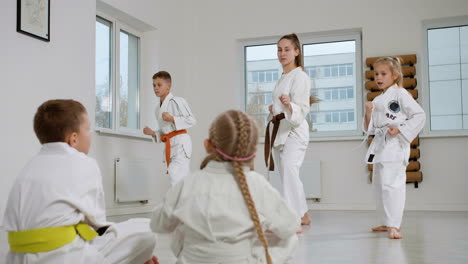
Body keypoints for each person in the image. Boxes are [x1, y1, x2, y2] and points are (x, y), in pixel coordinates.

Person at [2, 99, 158, 264]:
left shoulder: (29, 167)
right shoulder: (85, 163)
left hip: (16, 257)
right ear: (73, 139)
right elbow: (98, 226)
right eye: (88, 129)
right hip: (62, 257)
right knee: (147, 228)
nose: (90, 134)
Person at [150, 110, 300, 264]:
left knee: (180, 226)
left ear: (207, 145)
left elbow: (157, 224)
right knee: (290, 238)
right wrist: (264, 225)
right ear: (253, 153)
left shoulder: (188, 183)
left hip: (191, 259)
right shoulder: (256, 183)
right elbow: (290, 225)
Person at [364, 57, 425, 239]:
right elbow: (371, 128)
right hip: (381, 144)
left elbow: (419, 115)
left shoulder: (401, 94)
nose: (378, 77)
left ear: (395, 75)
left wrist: (400, 129)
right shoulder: (378, 98)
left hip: (395, 144)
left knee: (393, 185)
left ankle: (394, 226)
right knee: (379, 185)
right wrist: (368, 112)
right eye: (376, 74)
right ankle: (385, 221)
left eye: (383, 74)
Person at [264, 33, 314, 228]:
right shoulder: (283, 77)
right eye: (279, 49)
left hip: (295, 131)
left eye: (287, 49)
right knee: (286, 173)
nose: (282, 53)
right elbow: (283, 106)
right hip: (280, 130)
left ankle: (293, 219)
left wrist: (289, 105)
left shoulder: (300, 76)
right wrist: (275, 108)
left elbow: (302, 108)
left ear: (296, 52)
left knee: (290, 170)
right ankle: (303, 215)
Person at [143, 71, 196, 186]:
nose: (156, 88)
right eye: (154, 85)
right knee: (182, 179)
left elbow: (191, 120)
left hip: (181, 143)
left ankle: (179, 203)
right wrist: (153, 133)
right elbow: (165, 132)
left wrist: (172, 118)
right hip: (171, 145)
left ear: (168, 86)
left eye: (159, 85)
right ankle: (187, 201)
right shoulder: (157, 109)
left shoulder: (177, 101)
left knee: (175, 175)